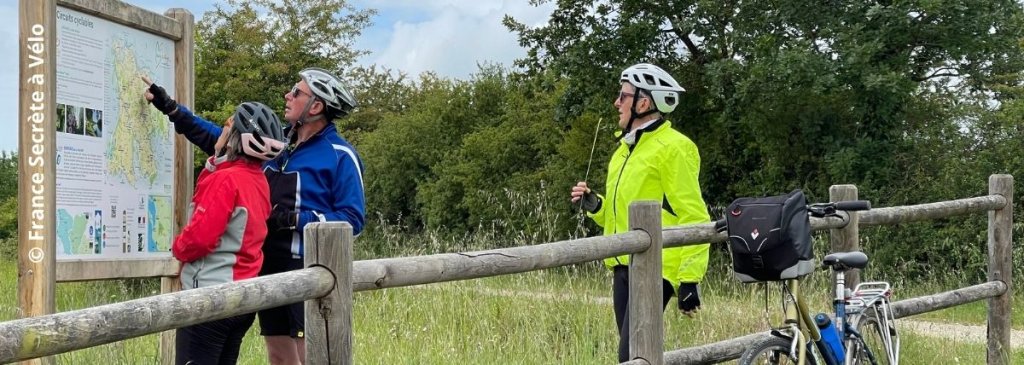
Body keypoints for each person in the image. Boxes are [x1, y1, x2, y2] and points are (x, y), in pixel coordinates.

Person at [144, 68, 366, 365]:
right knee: (280, 358)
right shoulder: (279, 146)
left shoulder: (340, 155)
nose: (288, 95)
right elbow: (221, 139)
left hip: (305, 268)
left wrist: (292, 219)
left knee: (308, 358)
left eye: (297, 92)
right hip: (262, 267)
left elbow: (353, 219)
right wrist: (172, 109)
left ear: (316, 106)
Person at [569, 63, 711, 362]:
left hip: (656, 268)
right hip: (622, 266)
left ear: (643, 102)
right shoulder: (623, 150)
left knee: (633, 355)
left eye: (623, 96)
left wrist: (689, 279)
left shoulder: (674, 147)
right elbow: (623, 214)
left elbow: (694, 214)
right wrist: (596, 205)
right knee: (637, 357)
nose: (616, 102)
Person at [172, 102, 286, 365]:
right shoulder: (257, 180)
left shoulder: (226, 181)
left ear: (233, 138)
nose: (221, 132)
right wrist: (214, 162)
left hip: (211, 296)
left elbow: (199, 239)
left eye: (226, 126)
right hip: (243, 297)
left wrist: (177, 247)